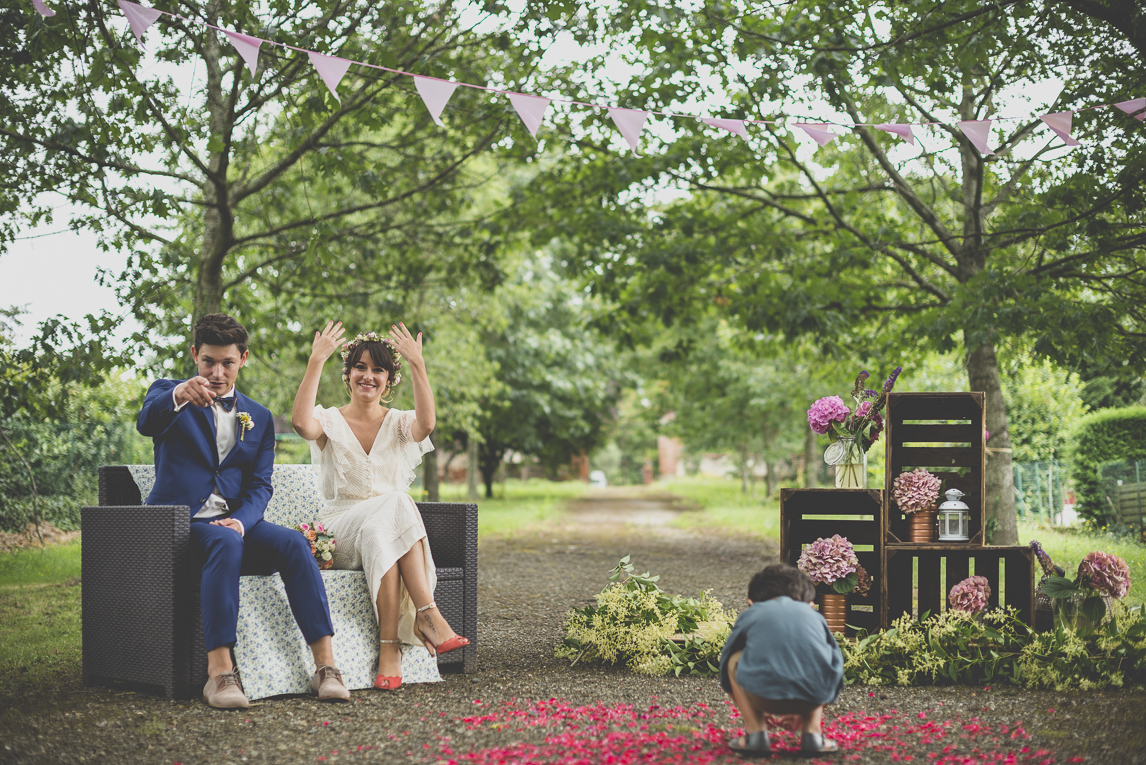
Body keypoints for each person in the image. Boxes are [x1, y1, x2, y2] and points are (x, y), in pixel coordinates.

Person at [137, 313, 349, 709]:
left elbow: (260, 486)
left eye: (227, 363)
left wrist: (243, 521)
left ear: (243, 359)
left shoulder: (261, 416)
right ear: (194, 355)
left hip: (235, 523)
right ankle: (219, 674)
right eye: (208, 362)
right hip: (181, 527)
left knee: (291, 543)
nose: (217, 372)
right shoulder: (169, 394)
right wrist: (181, 393)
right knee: (223, 541)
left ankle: (326, 666)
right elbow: (147, 423)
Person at [291, 320, 469, 691]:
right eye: (360, 367)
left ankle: (390, 651)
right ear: (348, 373)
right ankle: (428, 614)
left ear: (390, 379)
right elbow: (300, 424)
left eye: (378, 369)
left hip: (380, 532)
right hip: (340, 529)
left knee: (383, 526)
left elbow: (427, 423)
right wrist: (315, 360)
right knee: (398, 502)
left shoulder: (399, 423)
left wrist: (418, 364)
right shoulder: (330, 420)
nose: (368, 376)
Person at [720, 563, 843, 757]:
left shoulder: (752, 613)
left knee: (734, 658)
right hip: (813, 698)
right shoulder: (815, 616)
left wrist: (756, 703)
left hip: (762, 696)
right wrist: (811, 703)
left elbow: (725, 665)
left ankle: (756, 734)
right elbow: (835, 668)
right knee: (818, 657)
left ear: (751, 603)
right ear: (810, 605)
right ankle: (813, 734)